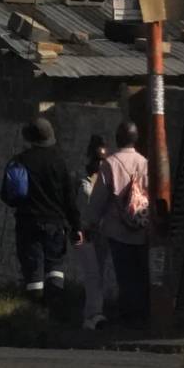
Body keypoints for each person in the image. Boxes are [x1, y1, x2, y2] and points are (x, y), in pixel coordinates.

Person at [3, 116, 82, 305]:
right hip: (55, 225)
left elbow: (7, 196)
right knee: (54, 268)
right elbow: (69, 199)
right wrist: (76, 226)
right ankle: (55, 312)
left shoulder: (19, 161)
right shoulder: (59, 162)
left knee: (33, 272)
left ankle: (35, 314)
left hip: (27, 224)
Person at [85, 120, 150, 323]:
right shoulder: (145, 163)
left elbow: (98, 200)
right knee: (140, 273)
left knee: (124, 275)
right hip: (141, 227)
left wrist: (91, 223)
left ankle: (128, 316)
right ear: (136, 139)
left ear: (117, 138)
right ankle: (142, 314)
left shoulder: (110, 164)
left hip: (117, 230)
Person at [74, 133, 116, 330]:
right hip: (85, 233)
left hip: (102, 232)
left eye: (102, 160)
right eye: (97, 159)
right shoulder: (82, 180)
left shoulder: (108, 180)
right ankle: (94, 314)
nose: (100, 164)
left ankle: (91, 314)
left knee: (99, 273)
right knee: (92, 273)